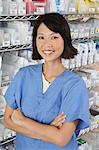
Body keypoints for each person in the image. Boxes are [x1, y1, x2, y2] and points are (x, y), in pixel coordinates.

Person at [4, 13, 90, 150]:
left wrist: (22, 121)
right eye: (41, 37)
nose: (46, 44)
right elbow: (8, 121)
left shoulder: (74, 85)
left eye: (54, 37)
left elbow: (61, 139)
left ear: (65, 39)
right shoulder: (24, 75)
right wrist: (50, 130)